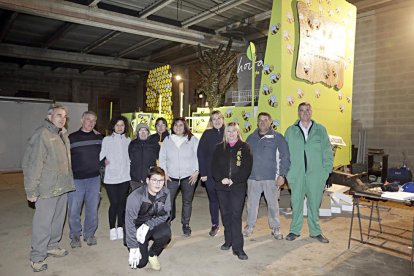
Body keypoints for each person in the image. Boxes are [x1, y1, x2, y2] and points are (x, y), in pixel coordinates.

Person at [22, 104, 75, 272]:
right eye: (59, 115)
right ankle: (37, 256)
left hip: (62, 186)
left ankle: (52, 245)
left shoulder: (62, 135)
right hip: (46, 188)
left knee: (58, 220)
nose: (62, 119)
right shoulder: (42, 134)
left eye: (65, 116)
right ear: (49, 116)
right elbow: (33, 164)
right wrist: (31, 190)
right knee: (43, 223)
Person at [284, 102, 333, 243]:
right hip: (296, 175)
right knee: (296, 203)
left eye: (307, 110)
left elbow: (327, 152)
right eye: (301, 110)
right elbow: (285, 154)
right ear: (298, 113)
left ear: (311, 112)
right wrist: (288, 173)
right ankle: (294, 230)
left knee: (314, 204)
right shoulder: (290, 131)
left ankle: (315, 231)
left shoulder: (320, 130)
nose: (304, 112)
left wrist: (326, 171)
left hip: (316, 175)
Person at [243, 112, 290, 240]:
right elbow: (245, 158)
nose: (262, 122)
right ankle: (250, 226)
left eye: (265, 120)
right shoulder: (250, 138)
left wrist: (282, 175)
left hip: (271, 178)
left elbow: (285, 157)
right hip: (253, 178)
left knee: (273, 204)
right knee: (251, 204)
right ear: (257, 122)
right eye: (260, 120)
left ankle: (275, 227)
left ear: (270, 122)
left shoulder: (278, 138)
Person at [212, 122, 253, 260]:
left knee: (236, 216)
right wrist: (221, 178)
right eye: (228, 131)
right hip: (221, 187)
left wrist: (234, 180)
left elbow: (247, 168)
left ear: (238, 132)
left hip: (237, 187)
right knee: (225, 214)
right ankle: (228, 240)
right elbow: (214, 167)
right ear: (225, 133)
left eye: (234, 131)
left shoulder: (244, 147)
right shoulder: (219, 148)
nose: (231, 133)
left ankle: (238, 248)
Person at [67, 111, 103, 248]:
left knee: (92, 209)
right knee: (74, 209)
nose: (91, 123)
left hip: (94, 179)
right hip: (76, 180)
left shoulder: (99, 138)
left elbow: (105, 156)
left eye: (94, 120)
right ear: (82, 120)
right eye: (88, 119)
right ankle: (75, 235)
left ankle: (89, 234)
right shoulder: (71, 138)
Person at [158, 117, 199, 237]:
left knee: (187, 202)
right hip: (171, 177)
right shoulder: (167, 140)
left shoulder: (192, 139)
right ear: (172, 127)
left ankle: (185, 224)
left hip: (188, 176)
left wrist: (196, 171)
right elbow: (162, 158)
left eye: (181, 125)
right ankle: (167, 224)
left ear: (185, 126)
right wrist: (164, 173)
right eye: (176, 125)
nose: (178, 128)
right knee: (168, 203)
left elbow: (198, 156)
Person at [126, 167, 171, 271]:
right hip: (136, 226)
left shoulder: (166, 193)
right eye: (154, 180)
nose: (158, 184)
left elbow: (166, 215)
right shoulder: (135, 196)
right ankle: (141, 247)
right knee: (140, 263)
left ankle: (153, 254)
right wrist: (133, 246)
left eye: (161, 180)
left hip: (152, 224)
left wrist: (148, 225)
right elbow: (129, 223)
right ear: (147, 180)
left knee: (166, 232)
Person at [100, 115, 131, 241]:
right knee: (114, 203)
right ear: (113, 126)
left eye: (122, 125)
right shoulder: (107, 140)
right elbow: (100, 156)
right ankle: (112, 228)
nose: (119, 127)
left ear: (125, 127)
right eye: (117, 125)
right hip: (111, 177)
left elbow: (131, 158)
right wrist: (103, 162)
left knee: (122, 204)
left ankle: (121, 227)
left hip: (125, 176)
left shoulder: (128, 141)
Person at [197, 110, 225, 237]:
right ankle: (215, 224)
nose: (217, 121)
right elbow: (201, 154)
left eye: (219, 118)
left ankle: (228, 224)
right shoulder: (207, 134)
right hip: (210, 175)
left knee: (226, 201)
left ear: (223, 119)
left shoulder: (229, 132)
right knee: (214, 200)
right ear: (211, 121)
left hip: (226, 175)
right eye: (214, 119)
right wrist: (203, 172)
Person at [129, 123, 159, 191]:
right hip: (135, 179)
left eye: (145, 130)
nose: (143, 132)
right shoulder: (132, 144)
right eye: (140, 130)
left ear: (148, 132)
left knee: (149, 200)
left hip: (150, 179)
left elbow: (160, 158)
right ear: (137, 133)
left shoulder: (154, 144)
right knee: (136, 200)